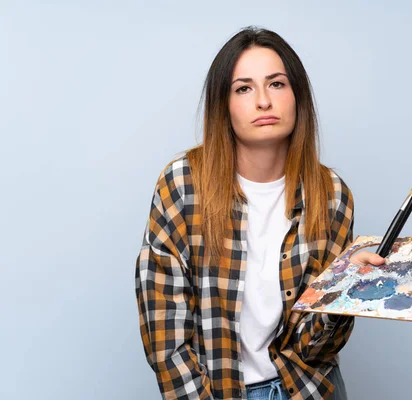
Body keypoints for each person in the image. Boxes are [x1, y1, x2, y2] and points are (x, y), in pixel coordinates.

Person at [135, 26, 384, 400]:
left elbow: (314, 349)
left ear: (298, 96)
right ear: (224, 105)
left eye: (277, 84)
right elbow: (164, 329)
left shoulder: (331, 194)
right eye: (244, 88)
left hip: (308, 390)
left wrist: (341, 293)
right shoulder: (183, 184)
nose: (264, 101)